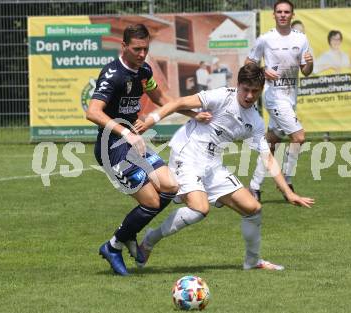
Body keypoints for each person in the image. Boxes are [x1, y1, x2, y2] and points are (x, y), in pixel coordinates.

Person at [133, 63, 314, 271]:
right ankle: (149, 241)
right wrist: (151, 120)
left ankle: (252, 262)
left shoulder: (254, 120)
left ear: (261, 90)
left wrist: (289, 193)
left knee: (253, 209)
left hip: (212, 164)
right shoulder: (222, 96)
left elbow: (268, 159)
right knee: (200, 209)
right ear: (238, 85)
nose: (249, 96)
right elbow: (179, 102)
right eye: (245, 89)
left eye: (254, 91)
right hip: (187, 155)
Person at [86, 24, 211, 276]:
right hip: (111, 148)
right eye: (136, 49)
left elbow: (162, 99)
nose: (142, 54)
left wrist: (193, 114)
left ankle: (125, 237)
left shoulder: (144, 70)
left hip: (132, 144)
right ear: (123, 47)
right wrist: (126, 132)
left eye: (146, 49)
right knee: (152, 201)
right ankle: (114, 246)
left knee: (170, 185)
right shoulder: (112, 75)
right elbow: (92, 112)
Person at [246, 0, 314, 202]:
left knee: (271, 142)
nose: (283, 15)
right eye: (279, 12)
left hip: (291, 96)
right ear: (273, 15)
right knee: (299, 137)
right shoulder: (265, 39)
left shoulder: (301, 39)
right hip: (274, 97)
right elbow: (249, 64)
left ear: (292, 15)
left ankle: (254, 187)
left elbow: (306, 71)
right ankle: (287, 180)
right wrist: (262, 70)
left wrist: (310, 63)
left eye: (286, 12)